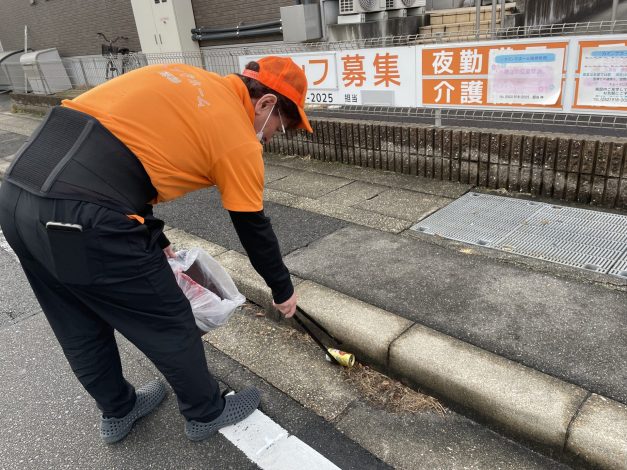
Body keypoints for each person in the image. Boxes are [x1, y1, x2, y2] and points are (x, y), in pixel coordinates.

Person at [0, 56, 313, 443]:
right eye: (280, 126)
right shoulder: (238, 138)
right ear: (265, 103)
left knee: (76, 321)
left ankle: (118, 411)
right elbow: (253, 227)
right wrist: (282, 290)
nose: (272, 137)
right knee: (169, 318)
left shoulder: (181, 76)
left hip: (16, 196)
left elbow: (123, 149)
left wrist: (158, 240)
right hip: (89, 218)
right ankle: (205, 412)